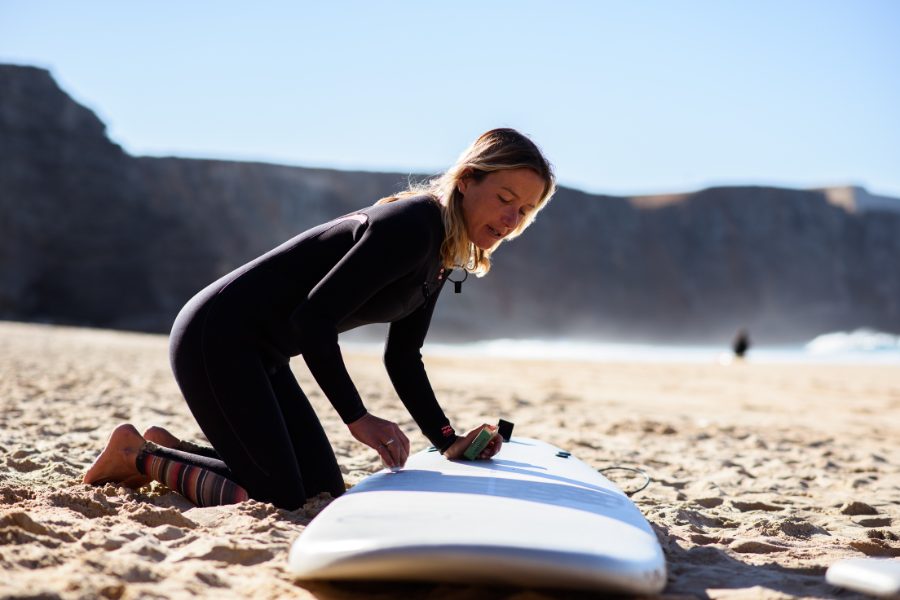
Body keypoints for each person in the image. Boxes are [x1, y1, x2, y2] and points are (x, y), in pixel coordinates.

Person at [83, 128, 557, 510]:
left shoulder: (442, 250)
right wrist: (357, 417)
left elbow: (404, 355)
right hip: (218, 336)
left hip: (263, 353)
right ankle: (137, 455)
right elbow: (314, 319)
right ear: (468, 178)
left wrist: (448, 439)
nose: (512, 218)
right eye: (505, 198)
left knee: (322, 491)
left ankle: (167, 449)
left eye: (525, 210)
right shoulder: (414, 226)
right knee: (277, 497)